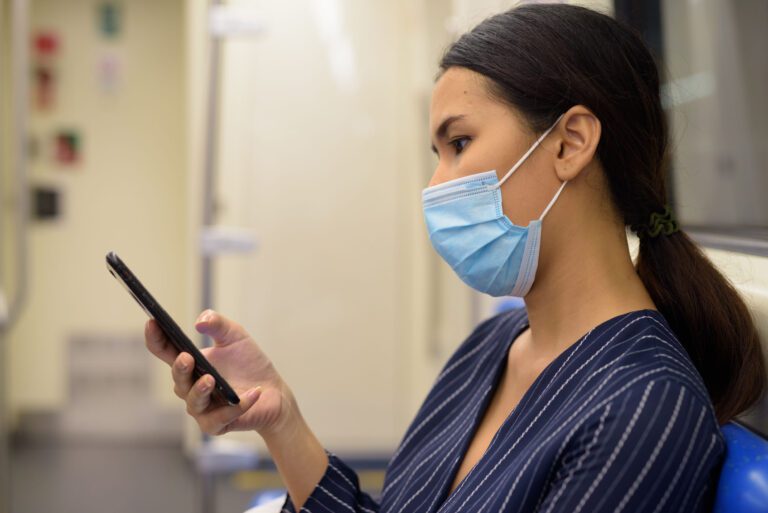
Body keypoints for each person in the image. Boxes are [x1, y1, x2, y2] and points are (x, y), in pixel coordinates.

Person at [145, 4, 767, 512]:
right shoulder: (494, 345)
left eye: (459, 143)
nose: (437, 185)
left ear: (571, 143)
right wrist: (280, 418)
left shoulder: (642, 409)